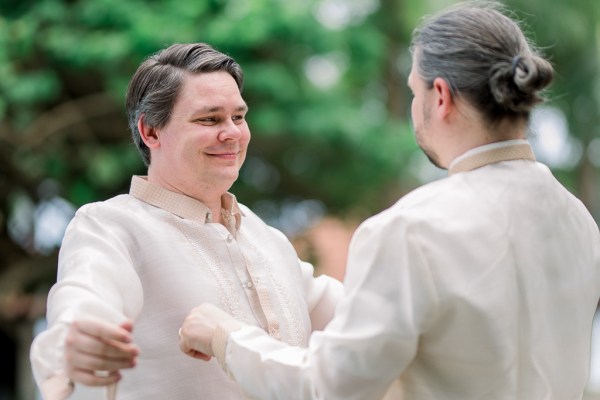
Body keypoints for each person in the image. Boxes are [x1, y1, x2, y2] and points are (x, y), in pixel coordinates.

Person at [177, 2, 600, 399]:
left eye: (413, 92)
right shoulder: (580, 221)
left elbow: (329, 388)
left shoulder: (410, 229)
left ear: (440, 95)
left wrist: (225, 335)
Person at [29, 43, 343, 400]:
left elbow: (363, 318)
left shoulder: (266, 238)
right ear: (151, 132)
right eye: (209, 119)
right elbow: (83, 298)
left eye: (238, 117)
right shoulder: (110, 226)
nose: (233, 134)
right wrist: (73, 340)